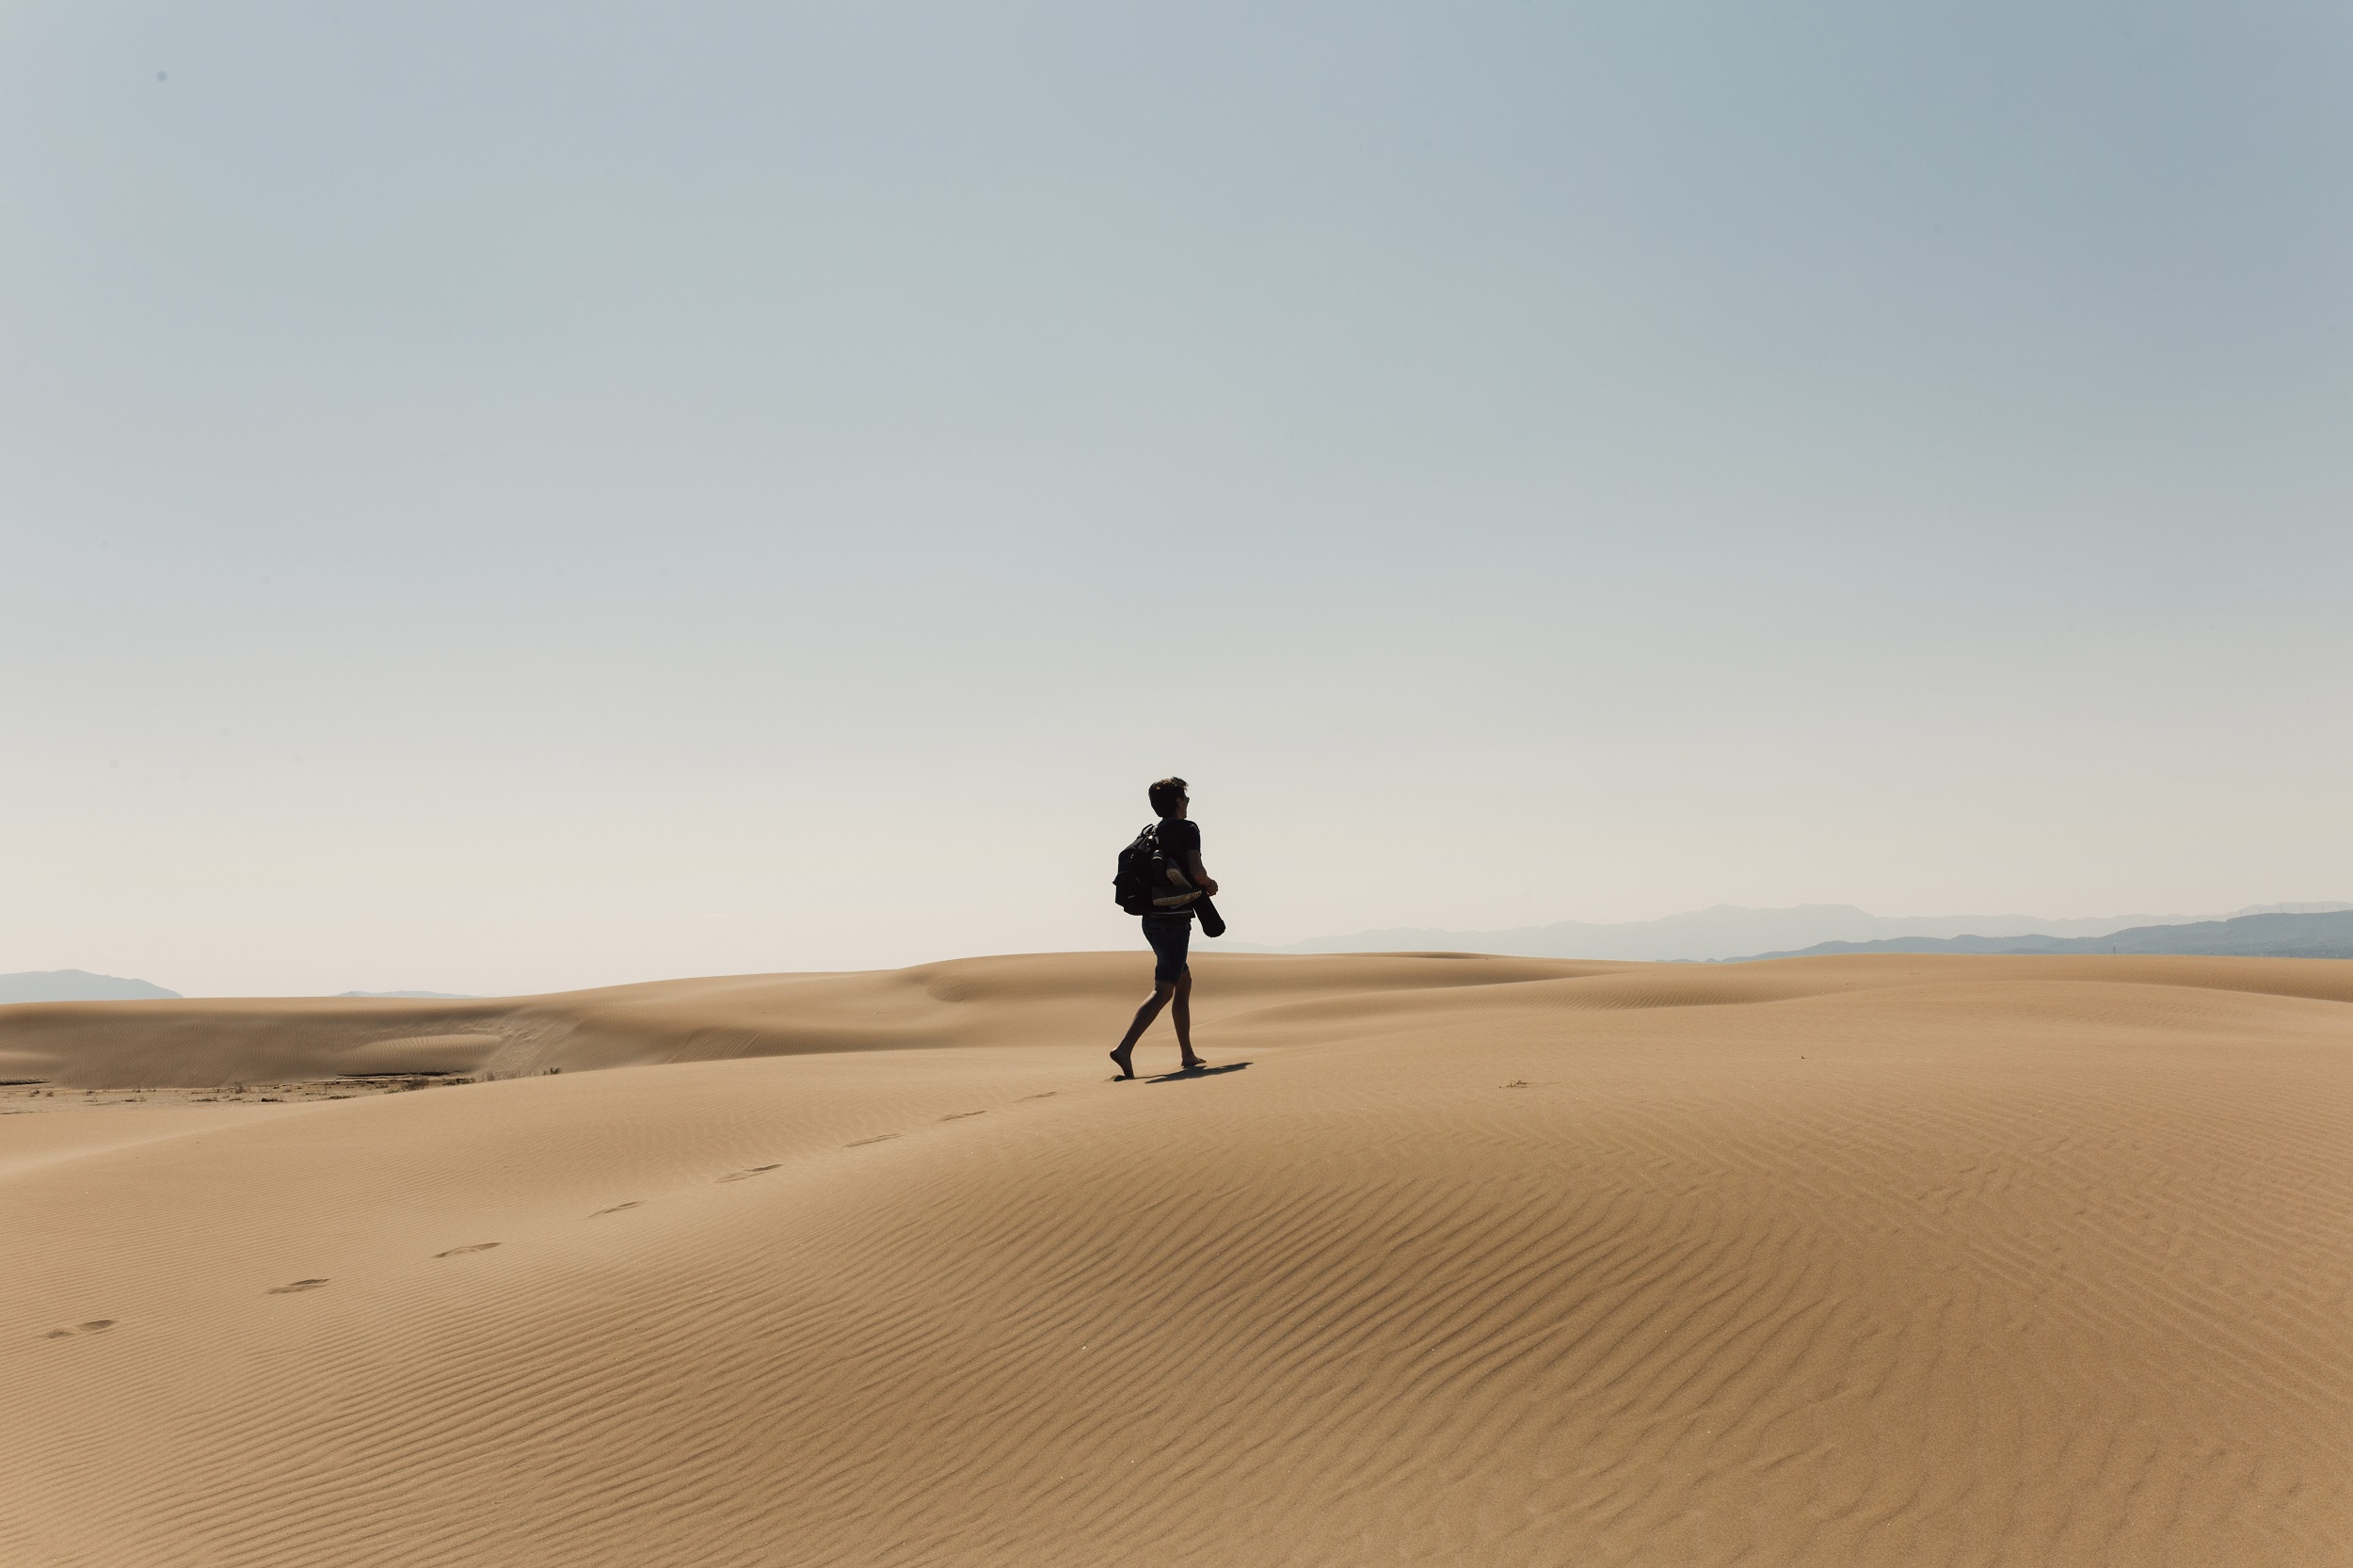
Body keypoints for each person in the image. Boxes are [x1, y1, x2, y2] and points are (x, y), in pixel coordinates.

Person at [1110, 776, 1217, 1080]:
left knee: (1183, 981)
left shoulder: (1152, 832)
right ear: (1179, 802)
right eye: (1185, 798)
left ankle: (1187, 1054)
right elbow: (1196, 873)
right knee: (1163, 990)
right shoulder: (1188, 829)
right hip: (1175, 921)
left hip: (1152, 920)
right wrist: (1210, 884)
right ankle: (1124, 1048)